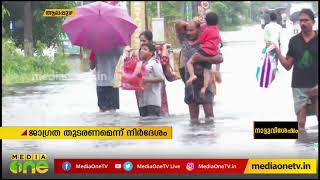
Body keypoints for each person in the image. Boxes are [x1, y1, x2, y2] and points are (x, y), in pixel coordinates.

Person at [272, 9, 318, 131]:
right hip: (299, 86)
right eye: (301, 21)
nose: (303, 23)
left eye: (306, 20)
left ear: (313, 22)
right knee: (300, 126)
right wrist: (277, 52)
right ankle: (303, 148)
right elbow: (287, 65)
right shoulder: (294, 41)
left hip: (316, 85)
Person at [175, 20, 223, 123]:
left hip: (204, 81)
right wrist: (187, 23)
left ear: (199, 30)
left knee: (209, 115)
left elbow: (220, 58)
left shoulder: (206, 42)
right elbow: (178, 24)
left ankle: (209, 136)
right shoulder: (183, 39)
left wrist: (202, 59)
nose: (188, 33)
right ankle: (194, 136)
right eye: (187, 30)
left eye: (192, 30)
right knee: (193, 118)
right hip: (190, 81)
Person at [125, 30, 176, 116]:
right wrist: (126, 54)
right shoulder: (136, 53)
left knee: (160, 112)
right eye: (140, 41)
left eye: (144, 41)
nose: (141, 43)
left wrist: (164, 49)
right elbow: (129, 68)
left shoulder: (156, 53)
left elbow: (163, 64)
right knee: (144, 114)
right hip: (141, 88)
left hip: (156, 87)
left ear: (150, 41)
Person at [186, 12, 222, 98]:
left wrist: (193, 43)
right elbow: (219, 40)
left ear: (206, 21)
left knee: (189, 62)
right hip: (212, 52)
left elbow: (201, 40)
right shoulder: (217, 30)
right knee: (207, 72)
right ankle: (204, 88)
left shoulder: (207, 30)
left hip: (204, 50)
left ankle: (192, 75)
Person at [90, 47, 124, 112]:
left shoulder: (95, 48)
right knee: (113, 111)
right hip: (114, 82)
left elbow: (91, 66)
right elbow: (123, 62)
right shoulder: (119, 48)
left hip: (101, 82)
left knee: (102, 111)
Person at [136, 43, 165, 117]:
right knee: (144, 125)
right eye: (141, 49)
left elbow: (161, 78)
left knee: (152, 124)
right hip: (142, 101)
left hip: (153, 101)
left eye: (145, 49)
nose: (142, 51)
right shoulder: (139, 64)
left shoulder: (154, 63)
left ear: (151, 53)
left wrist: (146, 80)